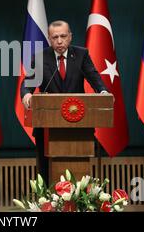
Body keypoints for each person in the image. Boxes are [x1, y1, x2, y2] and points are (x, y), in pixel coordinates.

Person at [20, 20, 108, 184]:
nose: (59, 41)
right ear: (49, 38)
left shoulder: (81, 55)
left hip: (78, 126)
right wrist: (26, 94)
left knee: (79, 172)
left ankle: (79, 203)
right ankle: (49, 204)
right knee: (46, 172)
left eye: (63, 36)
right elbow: (28, 83)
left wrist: (103, 91)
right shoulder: (40, 58)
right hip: (47, 128)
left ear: (70, 37)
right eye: (55, 37)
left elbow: (94, 77)